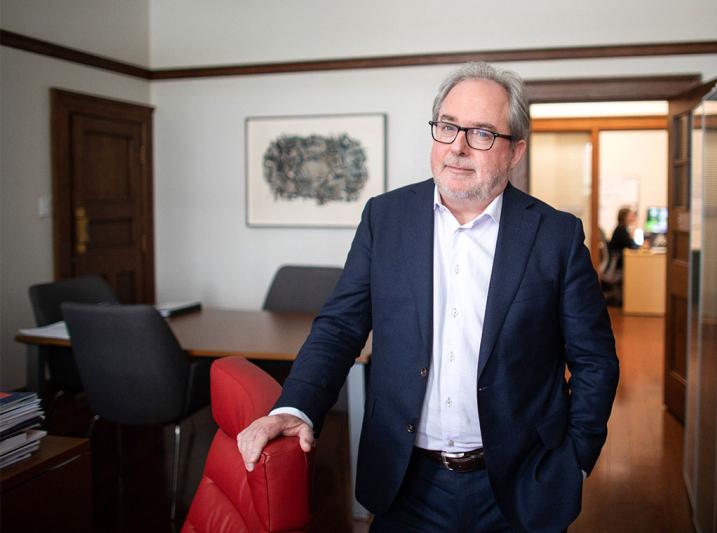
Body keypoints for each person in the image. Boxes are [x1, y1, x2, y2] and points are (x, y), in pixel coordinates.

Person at [238, 62, 619, 532]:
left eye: (481, 133)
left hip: (521, 483)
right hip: (405, 482)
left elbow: (595, 360)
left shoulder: (556, 236)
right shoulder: (386, 218)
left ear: (515, 150)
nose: (457, 147)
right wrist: (295, 407)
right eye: (447, 126)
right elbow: (339, 329)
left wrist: (577, 459)